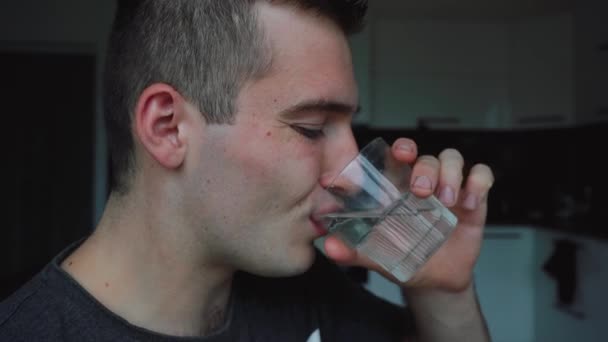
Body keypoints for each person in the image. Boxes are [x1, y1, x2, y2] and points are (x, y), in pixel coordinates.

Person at [0, 0, 495, 341]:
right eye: (310, 126)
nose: (352, 168)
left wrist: (441, 290)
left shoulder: (306, 294)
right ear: (168, 127)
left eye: (349, 126)